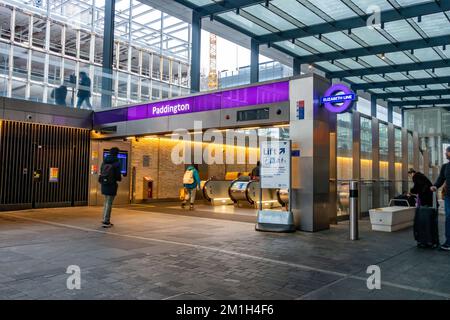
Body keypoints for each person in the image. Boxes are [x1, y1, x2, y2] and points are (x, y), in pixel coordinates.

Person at [431, 146, 450, 251]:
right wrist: (435, 186)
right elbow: (441, 179)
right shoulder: (445, 166)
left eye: (447, 152)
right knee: (449, 219)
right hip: (449, 197)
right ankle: (449, 243)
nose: (445, 154)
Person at [98, 147, 122, 227]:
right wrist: (119, 178)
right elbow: (118, 176)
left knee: (106, 202)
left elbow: (101, 171)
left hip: (104, 183)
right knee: (109, 203)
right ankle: (106, 221)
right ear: (117, 153)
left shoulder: (104, 161)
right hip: (112, 184)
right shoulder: (117, 162)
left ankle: (104, 218)